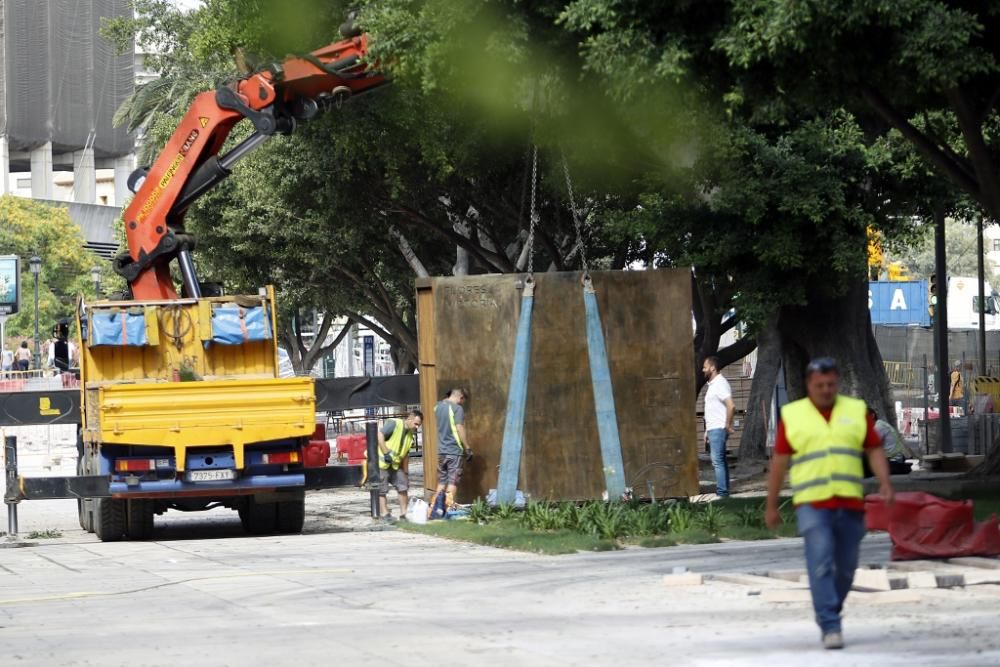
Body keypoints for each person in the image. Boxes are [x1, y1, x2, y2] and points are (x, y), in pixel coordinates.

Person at [765, 357, 894, 650]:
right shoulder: (794, 416)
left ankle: (830, 609)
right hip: (812, 505)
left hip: (850, 503)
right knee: (821, 561)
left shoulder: (855, 411)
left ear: (838, 384)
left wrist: (885, 482)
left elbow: (873, 449)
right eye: (819, 385)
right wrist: (771, 505)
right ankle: (830, 624)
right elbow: (779, 464)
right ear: (809, 385)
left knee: (846, 568)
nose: (825, 390)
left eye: (831, 385)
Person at [377, 409, 423, 520]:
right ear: (409, 419)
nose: (417, 427)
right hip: (381, 463)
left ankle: (404, 514)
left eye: (419, 425)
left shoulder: (410, 435)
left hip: (395, 466)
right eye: (416, 424)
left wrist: (406, 473)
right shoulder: (395, 423)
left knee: (403, 486)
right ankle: (384, 513)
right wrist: (386, 452)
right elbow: (380, 435)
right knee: (381, 490)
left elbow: (405, 455)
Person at [431, 387, 469, 517]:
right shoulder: (457, 408)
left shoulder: (438, 407)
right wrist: (467, 447)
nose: (461, 403)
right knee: (452, 482)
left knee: (441, 482)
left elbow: (442, 404)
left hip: (441, 451)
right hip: (454, 451)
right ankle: (446, 510)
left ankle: (433, 509)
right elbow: (459, 427)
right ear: (461, 397)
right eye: (462, 401)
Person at [702, 356, 735, 498]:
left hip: (718, 428)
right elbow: (713, 410)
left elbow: (731, 405)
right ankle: (725, 491)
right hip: (713, 428)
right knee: (721, 460)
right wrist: (706, 431)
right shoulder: (713, 385)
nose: (703, 369)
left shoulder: (720, 383)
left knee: (717, 461)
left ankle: (722, 493)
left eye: (705, 367)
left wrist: (727, 424)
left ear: (713, 368)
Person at [868, 408, 912, 475]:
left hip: (893, 460)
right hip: (892, 458)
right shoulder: (879, 424)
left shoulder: (878, 427)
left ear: (872, 415)